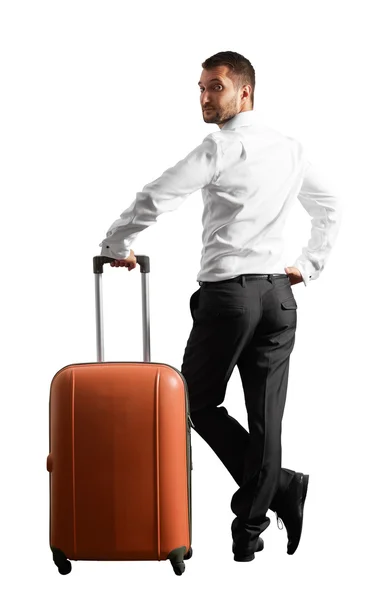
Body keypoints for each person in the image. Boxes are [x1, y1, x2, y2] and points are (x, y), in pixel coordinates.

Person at [99, 50, 342, 562]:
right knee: (265, 421)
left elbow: (156, 196)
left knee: (192, 402)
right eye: (202, 88)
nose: (206, 97)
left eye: (216, 87)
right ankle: (252, 527)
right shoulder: (290, 147)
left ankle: (280, 491)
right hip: (279, 299)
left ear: (244, 92)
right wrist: (310, 264)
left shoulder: (222, 147)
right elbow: (330, 206)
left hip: (230, 298)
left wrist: (115, 242)